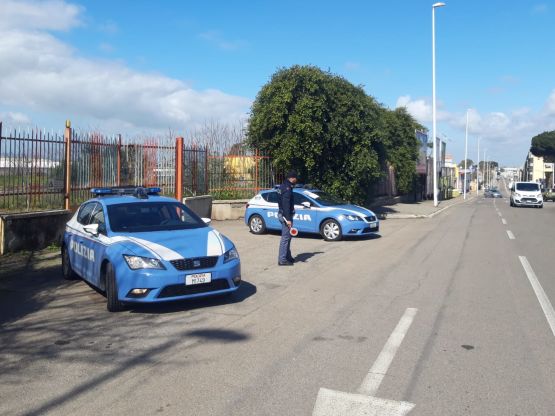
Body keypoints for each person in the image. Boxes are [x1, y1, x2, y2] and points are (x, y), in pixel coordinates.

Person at [277, 170, 298, 266]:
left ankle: (287, 257)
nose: (296, 179)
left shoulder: (283, 186)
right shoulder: (287, 188)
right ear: (292, 178)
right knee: (285, 238)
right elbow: (285, 205)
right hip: (286, 216)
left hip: (284, 214)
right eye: (295, 178)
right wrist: (288, 219)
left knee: (288, 237)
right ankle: (282, 259)